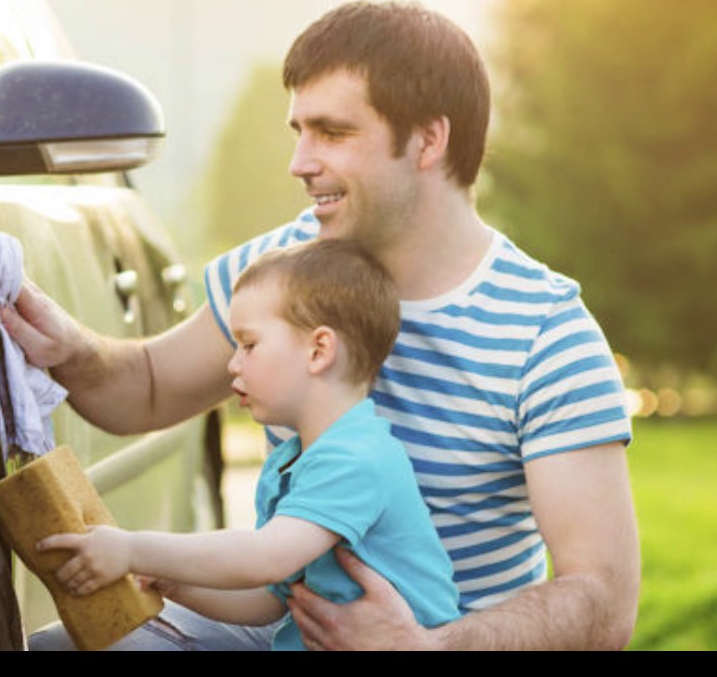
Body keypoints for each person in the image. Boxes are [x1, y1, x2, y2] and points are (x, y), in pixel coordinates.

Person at [3, 0, 640, 651]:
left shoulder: (546, 334)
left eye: (333, 133)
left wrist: (428, 646)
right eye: (298, 131)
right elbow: (144, 386)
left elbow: (602, 600)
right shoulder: (281, 271)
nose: (300, 162)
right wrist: (67, 347)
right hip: (280, 627)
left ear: (428, 139)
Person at [35, 239, 460, 650]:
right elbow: (267, 599)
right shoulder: (294, 460)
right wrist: (174, 581)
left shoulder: (357, 457)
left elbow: (264, 557)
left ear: (319, 351)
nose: (232, 363)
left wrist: (132, 549)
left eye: (249, 344)